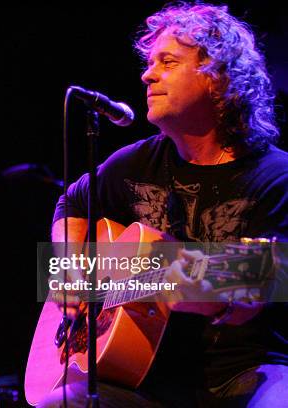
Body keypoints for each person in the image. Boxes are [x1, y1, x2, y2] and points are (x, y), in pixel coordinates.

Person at [40, 3, 287, 407]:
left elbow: (256, 284)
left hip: (247, 374)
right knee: (60, 401)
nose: (147, 74)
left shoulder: (277, 177)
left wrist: (155, 282)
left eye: (167, 62)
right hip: (145, 377)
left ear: (219, 79)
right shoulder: (136, 162)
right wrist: (69, 269)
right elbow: (71, 201)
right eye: (150, 62)